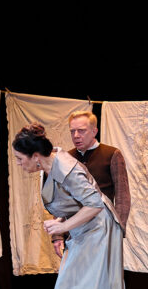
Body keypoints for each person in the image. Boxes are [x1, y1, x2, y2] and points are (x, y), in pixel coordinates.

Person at [12, 123, 136, 289]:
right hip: (85, 230)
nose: (18, 163)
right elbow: (75, 202)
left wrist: (63, 226)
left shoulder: (66, 168)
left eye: (20, 158)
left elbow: (95, 204)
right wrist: (62, 222)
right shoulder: (49, 166)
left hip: (99, 230)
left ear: (35, 156)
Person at [52, 110, 131, 258]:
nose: (76, 135)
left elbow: (123, 197)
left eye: (81, 131)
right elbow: (60, 199)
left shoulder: (111, 154)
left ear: (94, 131)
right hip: (74, 231)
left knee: (101, 271)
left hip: (103, 230)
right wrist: (57, 235)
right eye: (72, 131)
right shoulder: (66, 158)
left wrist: (117, 231)